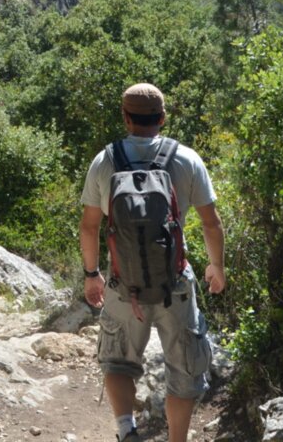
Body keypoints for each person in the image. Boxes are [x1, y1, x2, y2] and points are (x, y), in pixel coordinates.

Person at [79, 83, 226, 442]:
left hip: (121, 284)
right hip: (175, 286)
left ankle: (127, 431)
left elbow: (90, 225)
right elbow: (211, 222)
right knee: (183, 372)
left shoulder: (105, 160)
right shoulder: (187, 158)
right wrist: (216, 266)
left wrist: (91, 274)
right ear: (162, 118)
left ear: (125, 117)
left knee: (117, 362)